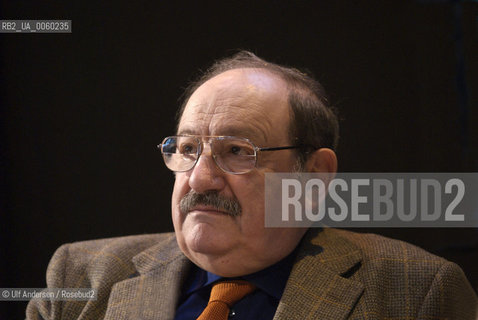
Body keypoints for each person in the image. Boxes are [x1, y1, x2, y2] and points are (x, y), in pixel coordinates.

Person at [27, 51, 477, 319]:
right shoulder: (80, 277)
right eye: (187, 149)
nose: (200, 178)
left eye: (238, 152)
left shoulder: (417, 293)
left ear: (315, 176)